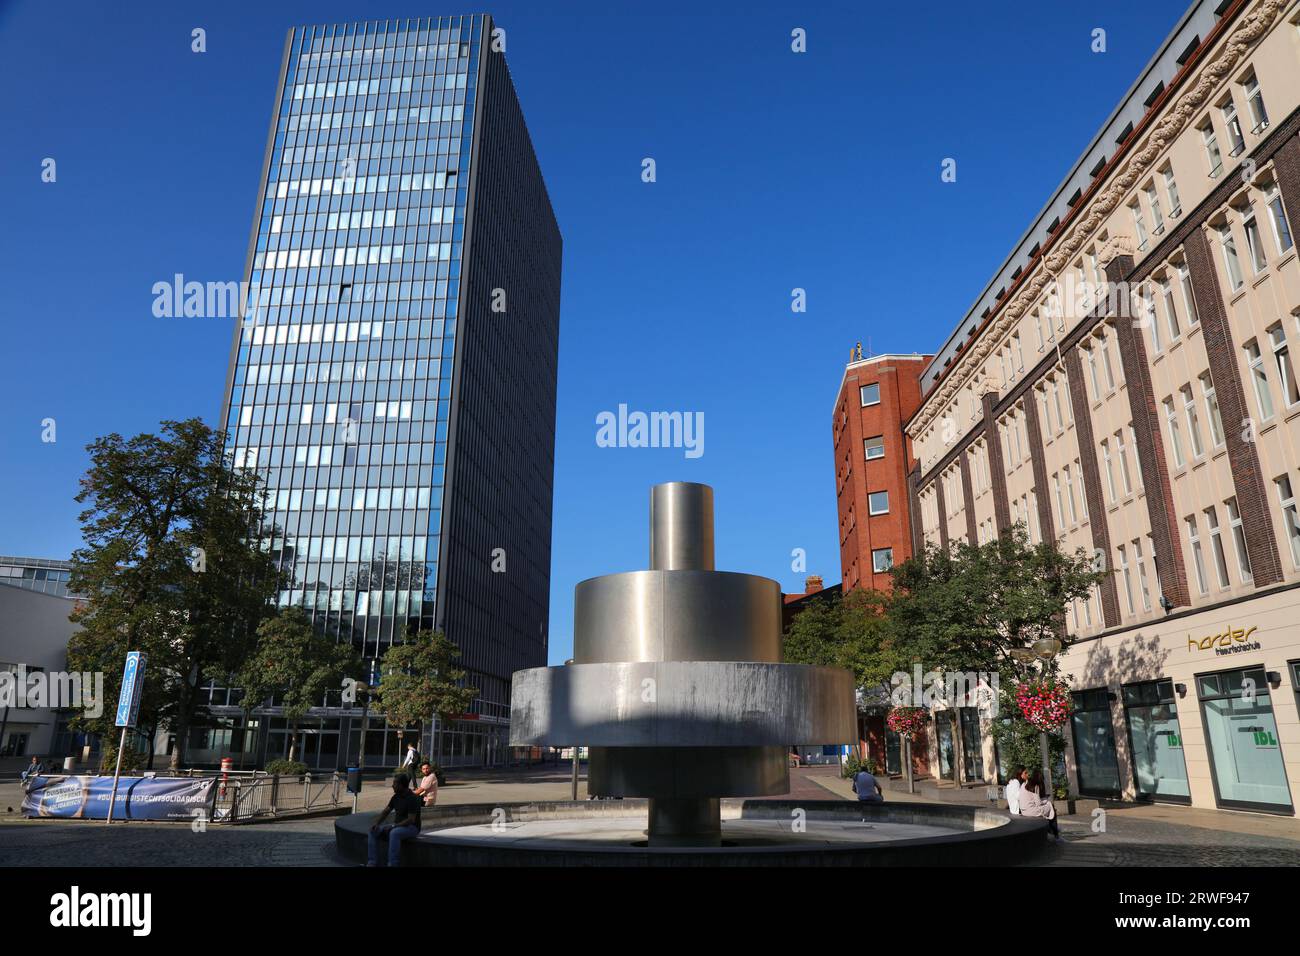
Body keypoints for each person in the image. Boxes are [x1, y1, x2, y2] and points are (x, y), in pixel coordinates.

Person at [366, 773, 423, 867]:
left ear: (401, 785)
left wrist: (393, 826)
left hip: (412, 828)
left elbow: (411, 820)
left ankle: (392, 863)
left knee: (394, 833)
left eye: (395, 783)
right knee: (373, 831)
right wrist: (377, 824)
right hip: (398, 826)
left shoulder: (412, 798)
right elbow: (386, 811)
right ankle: (372, 862)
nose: (392, 786)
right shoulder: (396, 797)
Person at [1019, 768, 1063, 842]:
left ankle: (1051, 829)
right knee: (1051, 807)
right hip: (1031, 811)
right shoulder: (1035, 786)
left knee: (1048, 807)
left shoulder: (1024, 784)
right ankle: (1056, 835)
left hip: (1024, 811)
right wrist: (1046, 800)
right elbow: (1038, 803)